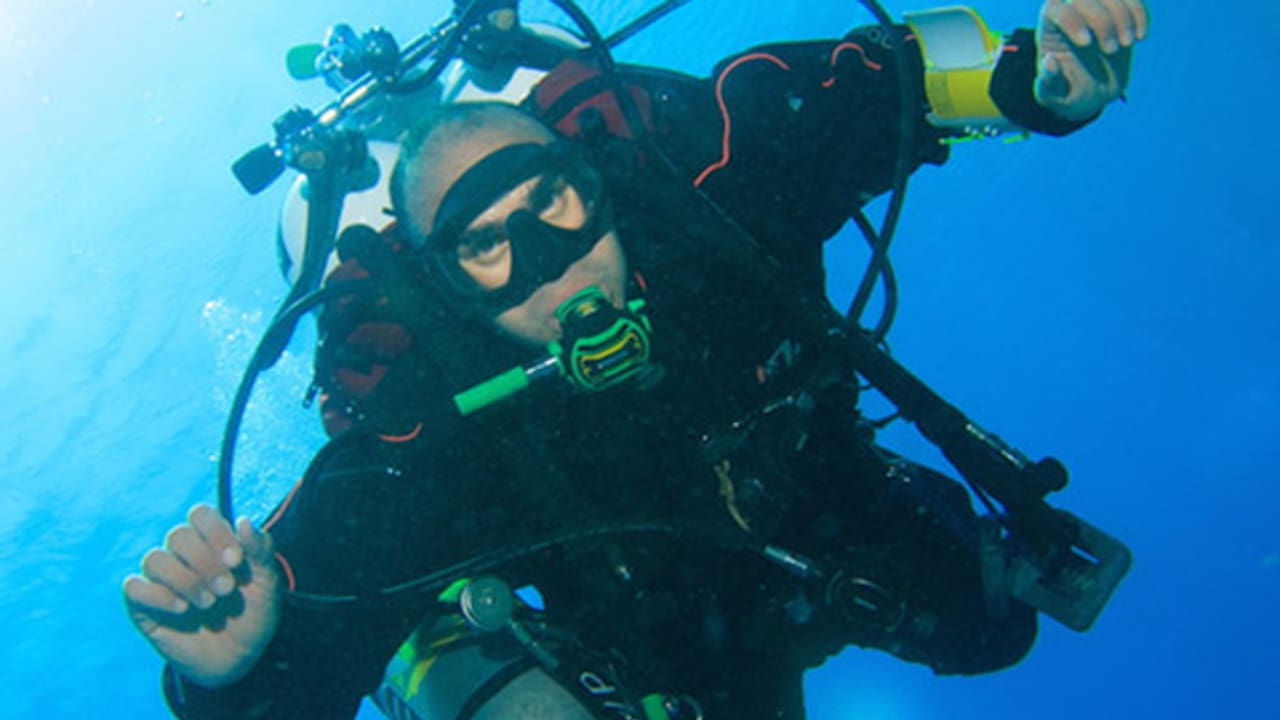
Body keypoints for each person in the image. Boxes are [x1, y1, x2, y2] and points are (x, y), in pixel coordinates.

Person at [125, 1, 1150, 718]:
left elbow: (884, 79)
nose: (551, 263)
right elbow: (310, 611)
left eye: (553, 204)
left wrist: (1036, 80)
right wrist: (231, 677)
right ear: (449, 288)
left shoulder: (713, 196)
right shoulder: (434, 425)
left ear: (598, 183)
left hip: (818, 512)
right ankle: (446, 656)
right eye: (486, 247)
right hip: (653, 636)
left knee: (993, 633)